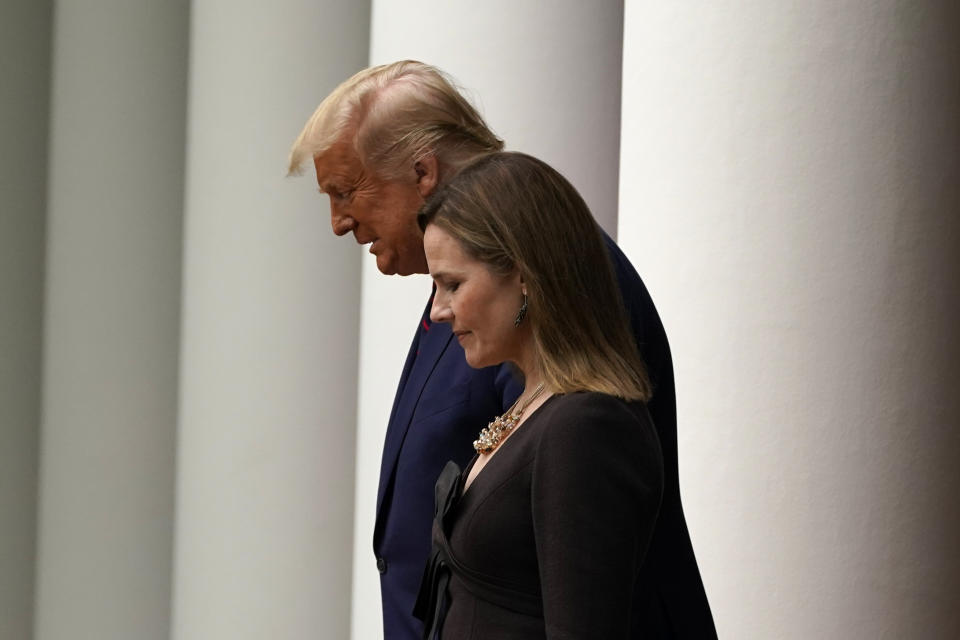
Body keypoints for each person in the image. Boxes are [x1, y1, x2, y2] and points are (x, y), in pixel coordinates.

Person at [287, 61, 715, 638]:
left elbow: (566, 569)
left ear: (422, 172)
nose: (339, 222)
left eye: (345, 190)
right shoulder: (484, 297)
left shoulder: (558, 308)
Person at [414, 150, 668, 638]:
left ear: (525, 273)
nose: (438, 311)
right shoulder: (536, 404)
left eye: (452, 284)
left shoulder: (587, 427)